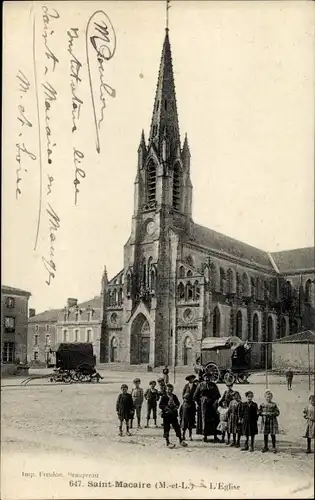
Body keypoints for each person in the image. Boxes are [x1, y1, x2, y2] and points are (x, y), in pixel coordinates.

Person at [193, 372, 221, 443]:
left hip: (212, 404)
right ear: (203, 378)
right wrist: (200, 403)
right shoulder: (200, 385)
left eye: (208, 377)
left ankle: (215, 436)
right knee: (204, 419)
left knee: (214, 419)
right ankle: (205, 436)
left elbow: (218, 395)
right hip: (204, 404)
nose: (207, 378)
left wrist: (215, 402)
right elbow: (195, 396)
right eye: (205, 377)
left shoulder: (213, 385)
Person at [159, 383, 188, 448]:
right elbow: (160, 405)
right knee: (166, 428)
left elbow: (178, 403)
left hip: (173, 415)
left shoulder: (174, 396)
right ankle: (167, 442)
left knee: (177, 427)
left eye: (171, 389)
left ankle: (181, 440)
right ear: (166, 390)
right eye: (168, 389)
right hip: (166, 415)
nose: (170, 391)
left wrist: (176, 406)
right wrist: (166, 408)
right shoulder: (164, 397)